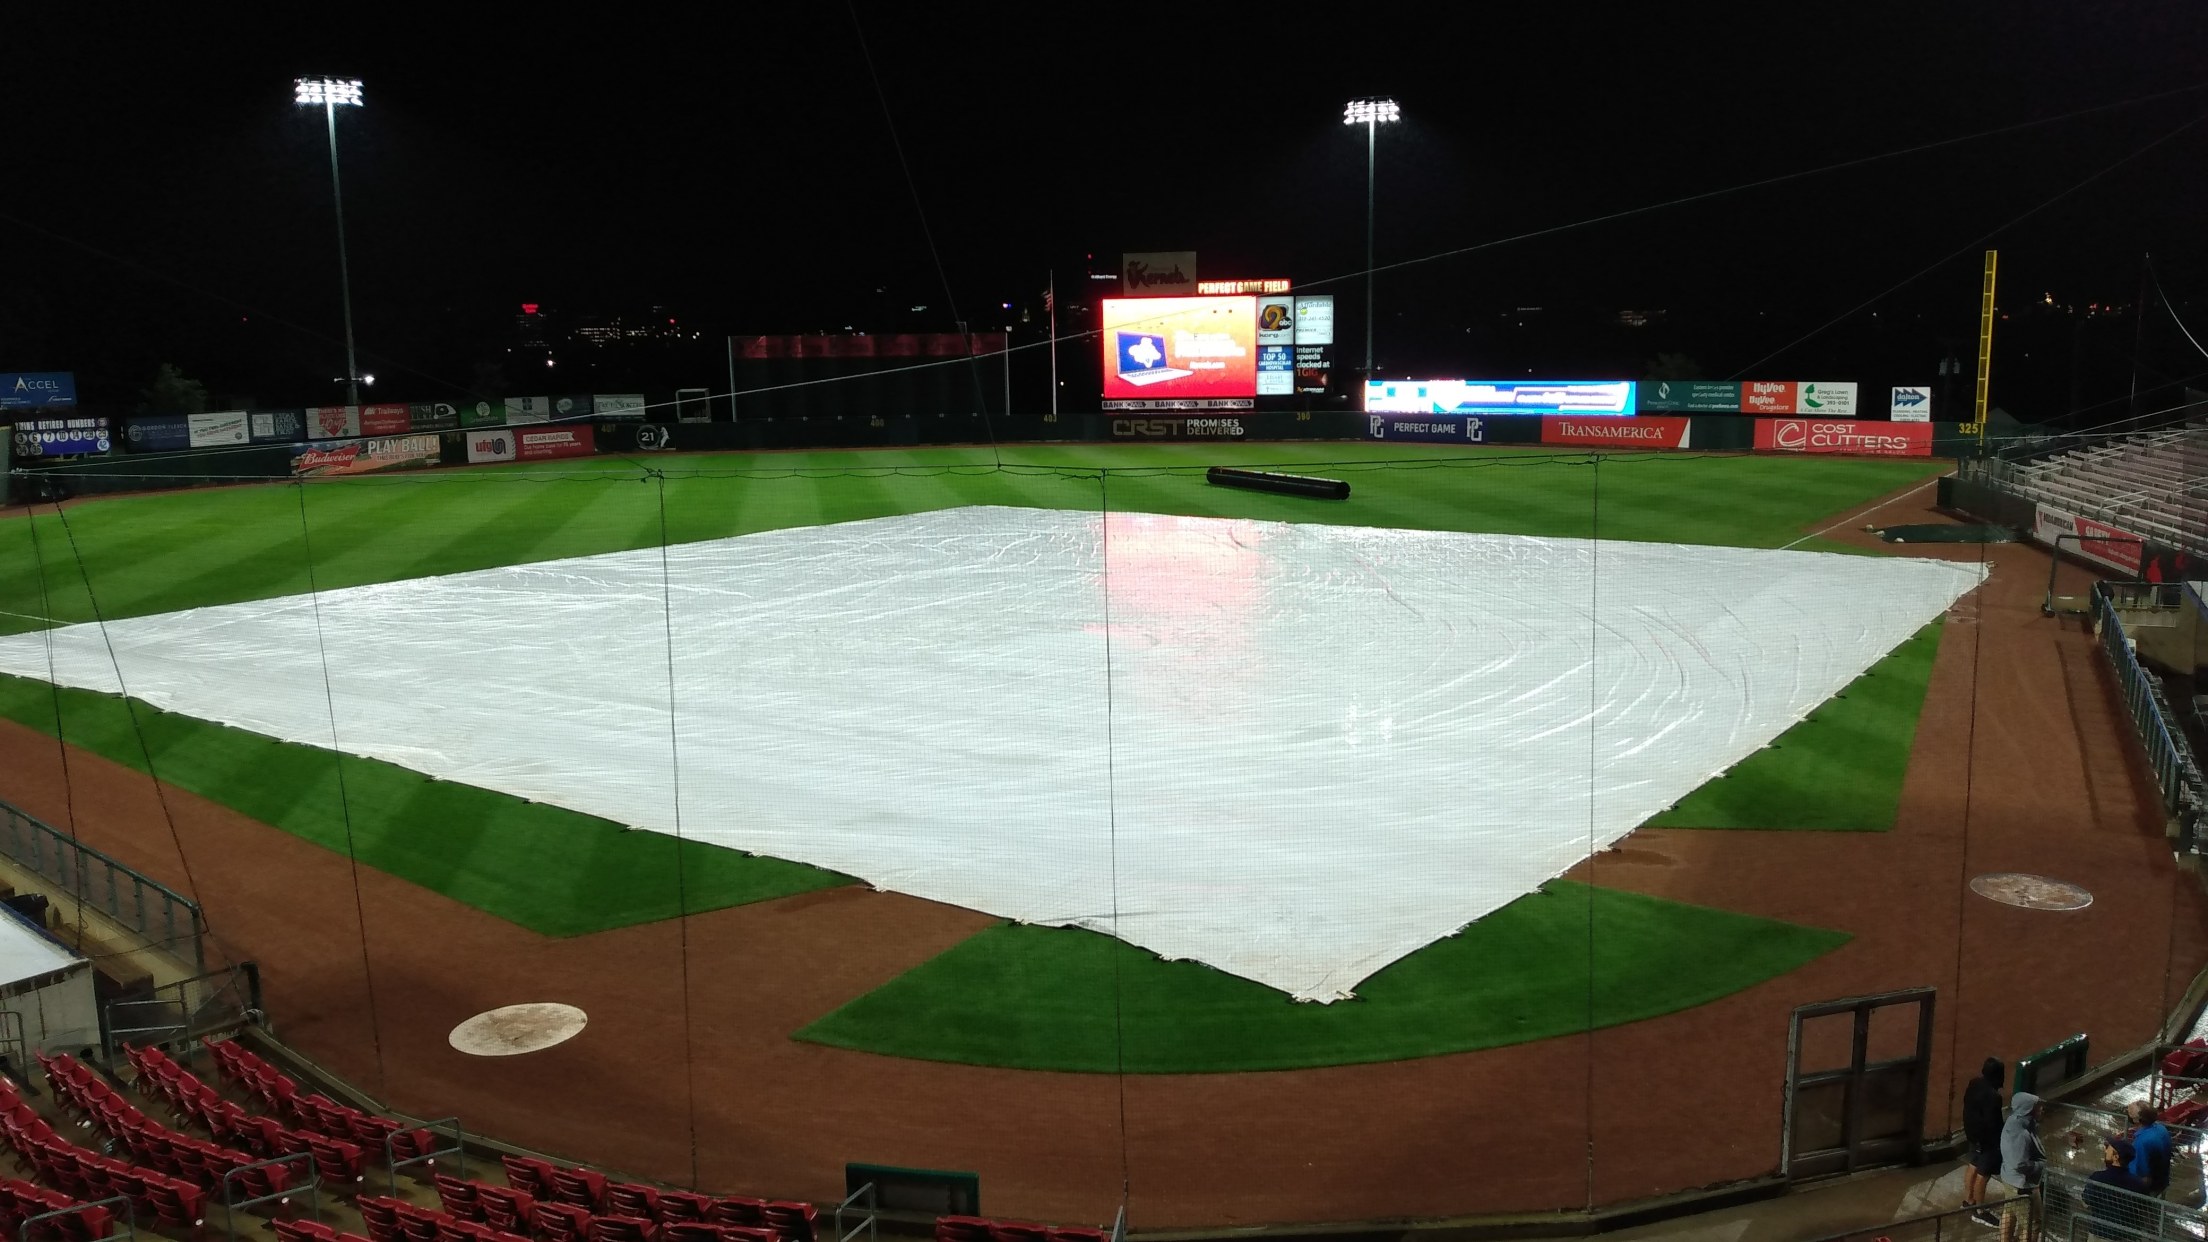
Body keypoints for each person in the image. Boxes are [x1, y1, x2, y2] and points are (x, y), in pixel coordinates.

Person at [2082, 1136, 2152, 1240]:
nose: (2106, 1151)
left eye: (2109, 1150)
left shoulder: (2098, 1177)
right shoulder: (2139, 1183)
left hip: (2100, 1233)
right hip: (2127, 1236)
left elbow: (2086, 1201)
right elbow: (2145, 1208)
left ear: (2116, 1157)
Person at [1995, 1092, 2043, 1242]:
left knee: (2009, 1211)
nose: (2041, 1109)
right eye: (2037, 1107)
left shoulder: (2013, 1120)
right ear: (2028, 1110)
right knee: (2033, 1225)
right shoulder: (2021, 1133)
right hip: (2020, 1185)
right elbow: (2019, 1163)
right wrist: (2038, 1166)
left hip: (2009, 1178)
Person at [1963, 1058, 2007, 1218]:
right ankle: (1980, 1211)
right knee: (1984, 1173)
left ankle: (1968, 1201)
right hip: (1987, 1141)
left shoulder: (1974, 1083)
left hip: (1972, 1135)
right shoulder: (1993, 1096)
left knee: (1973, 1164)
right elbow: (1993, 1123)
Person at [2125, 1101, 2172, 1196]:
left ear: (2137, 1120)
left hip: (2149, 1187)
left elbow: (2140, 1171)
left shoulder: (2142, 1142)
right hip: (2162, 1179)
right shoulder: (2161, 1128)